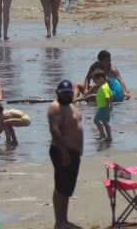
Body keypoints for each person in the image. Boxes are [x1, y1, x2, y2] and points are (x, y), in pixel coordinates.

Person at [48, 80, 83, 229]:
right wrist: (64, 152)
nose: (67, 95)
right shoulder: (56, 108)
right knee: (61, 186)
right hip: (63, 151)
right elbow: (55, 131)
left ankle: (64, 220)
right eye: (64, 93)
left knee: (67, 187)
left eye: (69, 92)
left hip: (71, 152)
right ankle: (60, 222)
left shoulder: (68, 105)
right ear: (58, 92)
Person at [91, 69, 113, 142]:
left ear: (100, 79)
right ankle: (109, 137)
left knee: (96, 120)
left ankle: (103, 134)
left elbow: (107, 97)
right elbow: (111, 95)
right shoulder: (106, 85)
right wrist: (111, 105)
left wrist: (107, 107)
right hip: (105, 107)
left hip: (104, 107)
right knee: (104, 122)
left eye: (95, 81)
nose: (95, 83)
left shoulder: (103, 87)